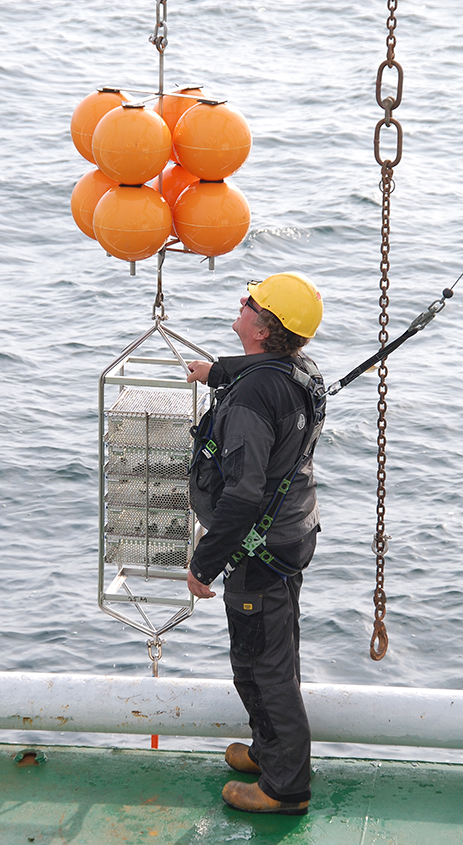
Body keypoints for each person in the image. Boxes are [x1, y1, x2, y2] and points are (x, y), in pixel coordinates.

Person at [186, 272, 325, 815]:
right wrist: (216, 371)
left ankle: (285, 787)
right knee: (275, 652)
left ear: (263, 330)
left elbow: (242, 496)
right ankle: (271, 751)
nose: (241, 304)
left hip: (256, 550)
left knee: (262, 665)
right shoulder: (299, 372)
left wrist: (204, 563)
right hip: (291, 536)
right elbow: (269, 379)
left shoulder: (251, 398)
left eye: (251, 303)